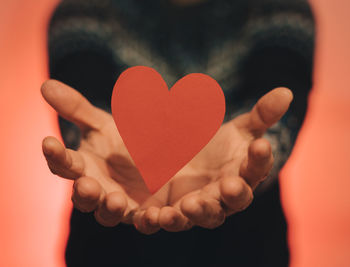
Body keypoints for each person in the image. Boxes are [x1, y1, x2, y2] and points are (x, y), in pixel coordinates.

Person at [42, 0, 315, 266]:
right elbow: (84, 109)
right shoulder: (84, 8)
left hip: (247, 244)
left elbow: (276, 113)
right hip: (110, 244)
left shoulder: (280, 7)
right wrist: (91, 145)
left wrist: (249, 162)